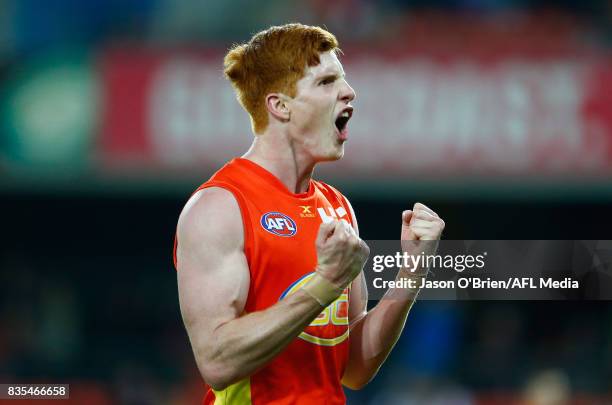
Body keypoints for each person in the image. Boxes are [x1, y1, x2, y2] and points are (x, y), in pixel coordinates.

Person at [174, 23, 445, 404]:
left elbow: (354, 369)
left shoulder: (336, 207)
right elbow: (217, 362)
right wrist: (323, 284)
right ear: (280, 106)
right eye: (326, 82)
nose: (349, 92)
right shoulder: (221, 207)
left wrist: (411, 273)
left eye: (343, 80)